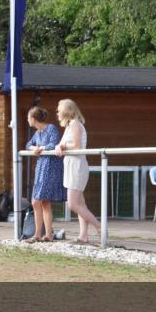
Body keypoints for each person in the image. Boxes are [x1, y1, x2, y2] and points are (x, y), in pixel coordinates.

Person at [54, 99, 101, 244]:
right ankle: (83, 236)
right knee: (80, 203)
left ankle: (100, 227)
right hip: (71, 164)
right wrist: (59, 147)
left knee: (73, 204)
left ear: (67, 110)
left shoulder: (75, 124)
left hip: (77, 165)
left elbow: (76, 145)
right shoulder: (69, 126)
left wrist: (63, 148)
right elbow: (62, 144)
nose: (57, 112)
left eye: (59, 109)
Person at [25, 106, 65, 242]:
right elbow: (28, 144)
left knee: (37, 200)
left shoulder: (51, 128)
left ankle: (40, 234)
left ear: (34, 119)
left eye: (28, 118)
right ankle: (46, 234)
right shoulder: (38, 133)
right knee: (43, 202)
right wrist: (33, 148)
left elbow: (54, 144)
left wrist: (40, 148)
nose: (27, 120)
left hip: (50, 166)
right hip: (41, 167)